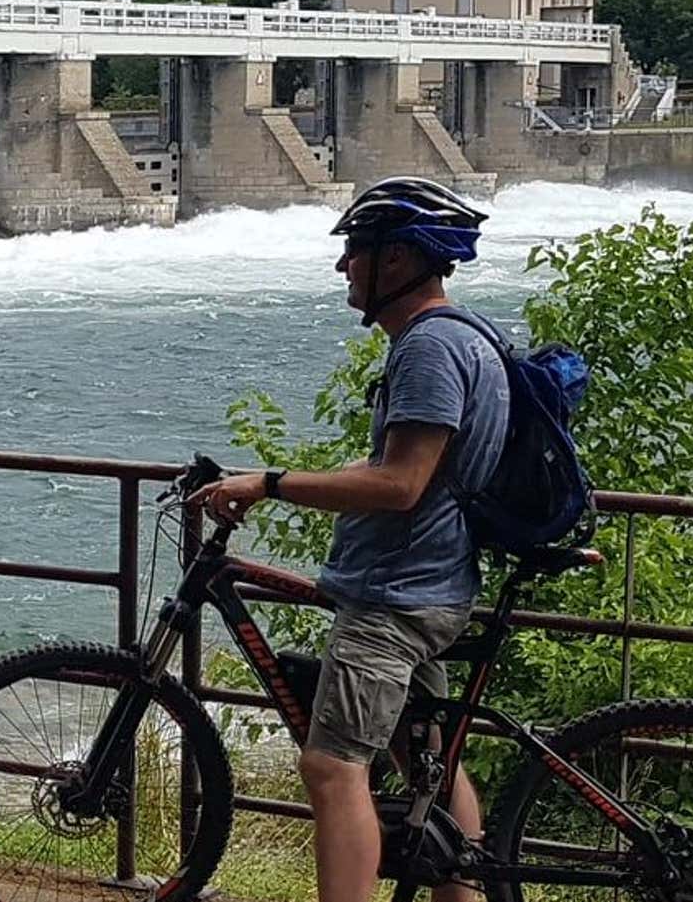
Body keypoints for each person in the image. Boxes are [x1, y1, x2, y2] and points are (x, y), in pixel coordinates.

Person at [192, 175, 506, 902]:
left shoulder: (428, 350)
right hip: (433, 585)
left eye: (355, 251)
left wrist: (268, 482)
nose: (343, 267)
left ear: (396, 260)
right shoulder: (469, 339)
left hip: (399, 597)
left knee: (332, 768)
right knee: (428, 759)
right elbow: (402, 471)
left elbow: (401, 483)